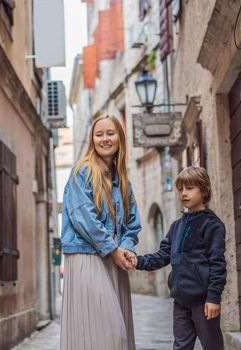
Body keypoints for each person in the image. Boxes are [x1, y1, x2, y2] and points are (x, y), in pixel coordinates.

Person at [60, 114, 141, 350]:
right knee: (109, 335)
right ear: (92, 139)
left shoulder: (123, 180)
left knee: (119, 333)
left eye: (110, 133)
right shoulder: (82, 172)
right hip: (86, 256)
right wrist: (113, 249)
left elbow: (132, 222)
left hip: (114, 258)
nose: (105, 139)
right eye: (99, 134)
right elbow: (82, 216)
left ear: (119, 138)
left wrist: (126, 247)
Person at [135, 166, 227, 350]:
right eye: (180, 189)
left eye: (190, 188)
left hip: (203, 301)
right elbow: (163, 256)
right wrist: (138, 261)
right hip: (180, 300)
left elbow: (217, 263)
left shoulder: (212, 225)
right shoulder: (177, 226)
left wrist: (213, 297)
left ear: (204, 190)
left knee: (212, 345)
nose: (183, 193)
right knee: (181, 346)